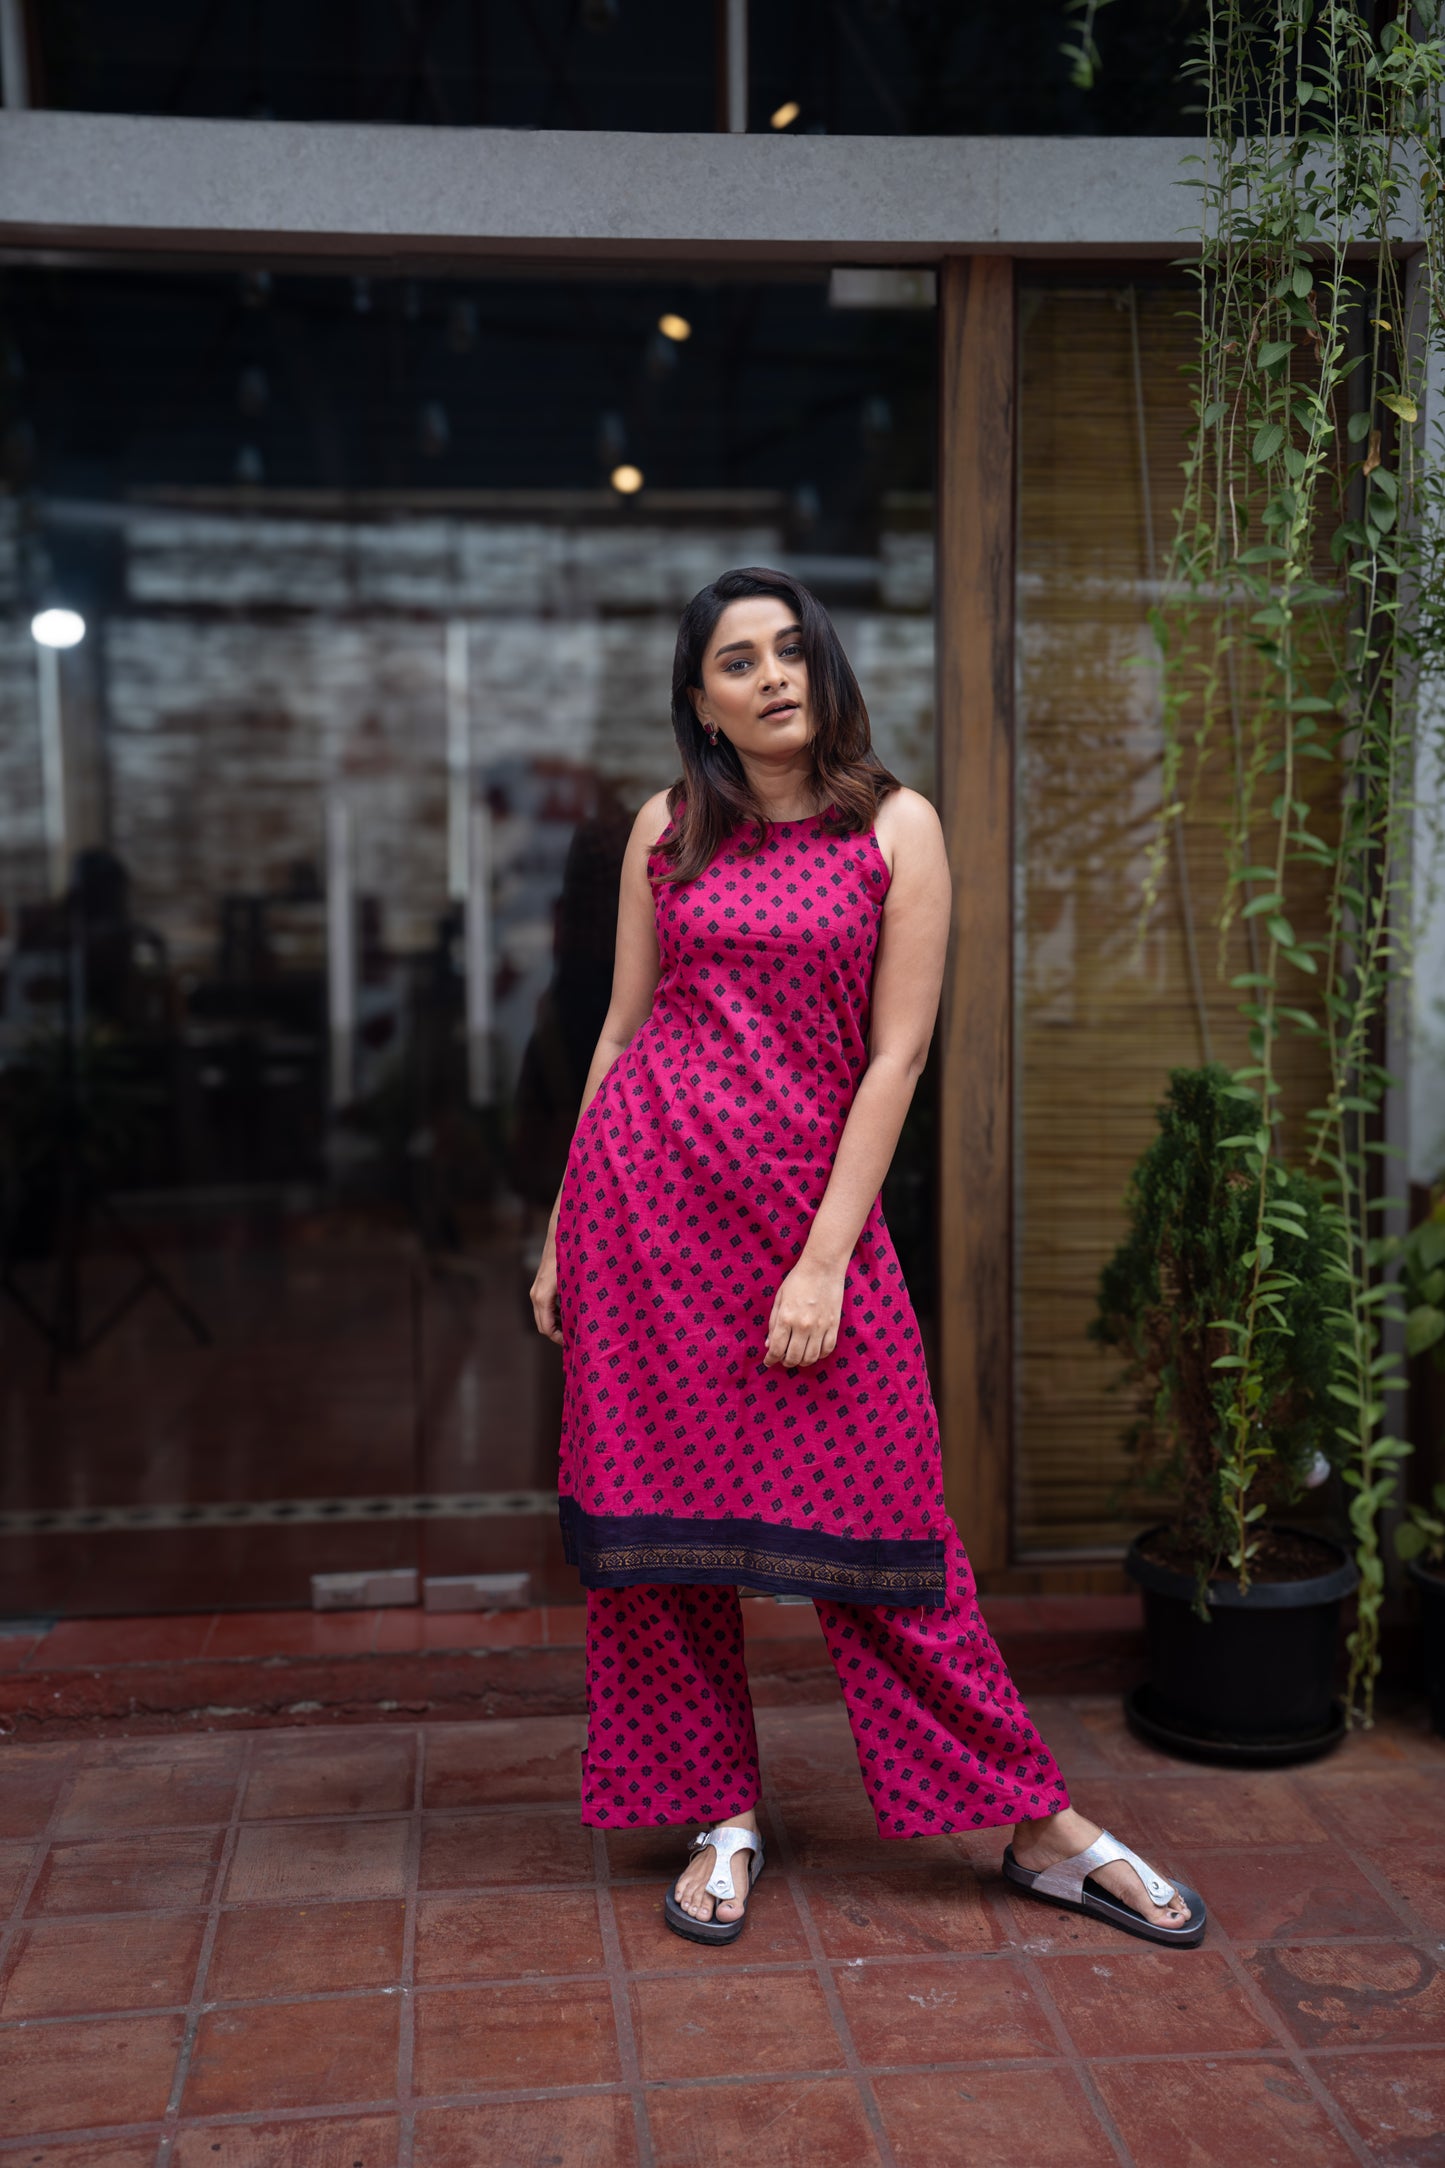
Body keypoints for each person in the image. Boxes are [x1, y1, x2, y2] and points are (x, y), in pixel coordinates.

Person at [529, 567, 1206, 1952]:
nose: (772, 675)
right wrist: (560, 1228)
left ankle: (1036, 1825)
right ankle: (718, 1816)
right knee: (658, 1539)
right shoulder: (666, 828)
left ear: (824, 668)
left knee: (892, 1537)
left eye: (791, 649)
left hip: (804, 1224)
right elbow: (620, 1031)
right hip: (644, 1221)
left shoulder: (897, 826)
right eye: (737, 661)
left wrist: (825, 1260)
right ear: (701, 703)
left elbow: (897, 1058)